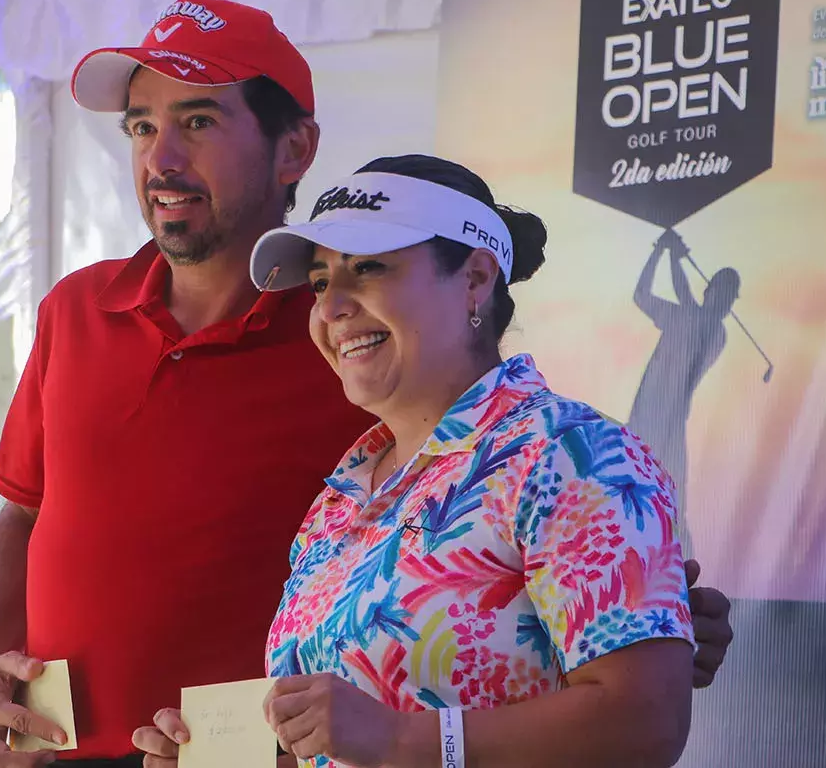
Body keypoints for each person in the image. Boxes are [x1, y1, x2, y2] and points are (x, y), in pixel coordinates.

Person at [0, 0, 733, 768]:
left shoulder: (527, 435)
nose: (160, 159)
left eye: (197, 121)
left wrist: (634, 614)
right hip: (69, 752)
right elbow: (327, 709)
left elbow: (630, 705)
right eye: (141, 127)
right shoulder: (349, 486)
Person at [133, 154, 696, 768]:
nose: (331, 307)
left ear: (476, 278)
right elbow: (336, 741)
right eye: (320, 282)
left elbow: (644, 720)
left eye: (369, 268)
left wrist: (405, 742)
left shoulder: (571, 453)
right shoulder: (340, 498)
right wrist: (225, 758)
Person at [627, 229, 741, 558]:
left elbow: (686, 298)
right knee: (631, 491)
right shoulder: (683, 315)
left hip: (670, 421)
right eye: (723, 292)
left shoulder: (714, 331)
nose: (726, 301)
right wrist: (660, 253)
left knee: (674, 500)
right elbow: (641, 294)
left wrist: (672, 255)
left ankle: (680, 572)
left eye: (731, 297)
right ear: (711, 291)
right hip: (645, 413)